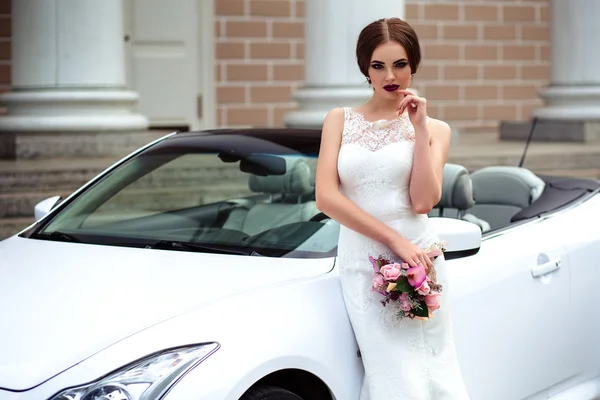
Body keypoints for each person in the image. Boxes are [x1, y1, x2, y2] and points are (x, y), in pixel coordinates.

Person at [315, 17, 471, 400]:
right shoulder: (339, 120)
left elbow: (422, 201)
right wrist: (393, 241)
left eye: (400, 64)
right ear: (365, 69)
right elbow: (326, 198)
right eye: (378, 65)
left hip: (419, 261)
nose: (390, 76)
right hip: (362, 259)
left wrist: (418, 130)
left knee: (429, 367)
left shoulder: (436, 129)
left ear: (413, 64)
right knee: (389, 371)